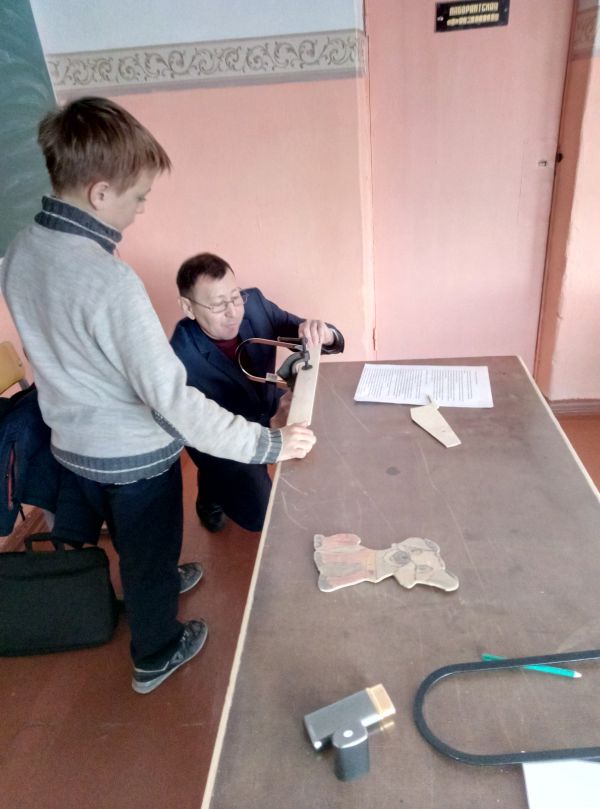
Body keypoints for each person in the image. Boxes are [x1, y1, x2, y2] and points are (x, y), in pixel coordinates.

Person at [0, 97, 316, 694]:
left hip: (74, 447)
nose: (142, 208)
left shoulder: (20, 251)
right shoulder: (109, 280)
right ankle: (156, 652)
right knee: (147, 549)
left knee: (133, 539)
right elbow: (172, 399)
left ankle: (159, 579)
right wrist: (268, 444)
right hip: (136, 459)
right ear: (100, 193)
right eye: (139, 196)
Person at [170, 253, 344, 533]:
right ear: (188, 307)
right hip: (225, 436)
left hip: (264, 406)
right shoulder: (179, 358)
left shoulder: (255, 305)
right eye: (218, 305)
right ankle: (211, 488)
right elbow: (204, 430)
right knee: (260, 519)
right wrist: (270, 429)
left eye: (235, 297)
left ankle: (215, 484)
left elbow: (307, 336)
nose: (233, 312)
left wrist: (324, 334)